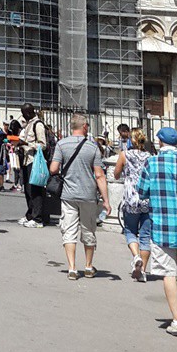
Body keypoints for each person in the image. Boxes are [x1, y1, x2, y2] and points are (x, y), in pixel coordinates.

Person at [136, 126, 177, 337]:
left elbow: (142, 191)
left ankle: (175, 321)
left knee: (169, 273)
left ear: (160, 143)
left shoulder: (152, 163)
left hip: (162, 225)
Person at [49, 112, 111, 279]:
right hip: (88, 195)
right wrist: (106, 201)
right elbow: (99, 175)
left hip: (68, 194)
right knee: (88, 229)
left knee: (68, 230)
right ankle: (88, 266)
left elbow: (53, 169)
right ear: (84, 127)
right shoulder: (92, 147)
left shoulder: (61, 144)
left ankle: (71, 268)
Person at [114, 128, 152, 281]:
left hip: (131, 198)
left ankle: (136, 256)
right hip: (147, 198)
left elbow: (116, 174)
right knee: (145, 236)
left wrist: (124, 172)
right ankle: (142, 271)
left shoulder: (125, 155)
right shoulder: (150, 157)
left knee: (129, 230)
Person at [19, 102, 52, 228]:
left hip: (34, 160)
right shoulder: (29, 124)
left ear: (28, 112)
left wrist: (26, 144)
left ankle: (38, 218)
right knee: (28, 189)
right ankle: (30, 214)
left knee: (35, 190)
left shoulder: (38, 125)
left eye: (23, 114)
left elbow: (43, 145)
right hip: (26, 159)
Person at [5, 120, 22, 190]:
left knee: (20, 168)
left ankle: (20, 184)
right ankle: (16, 183)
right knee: (15, 168)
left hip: (20, 151)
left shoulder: (21, 132)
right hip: (14, 151)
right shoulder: (13, 133)